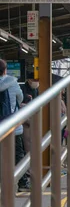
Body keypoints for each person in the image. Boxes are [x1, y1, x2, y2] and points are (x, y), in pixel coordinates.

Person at [0, 59, 29, 191]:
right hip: (12, 126)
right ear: (5, 70)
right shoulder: (12, 82)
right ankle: (22, 182)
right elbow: (20, 99)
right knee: (18, 154)